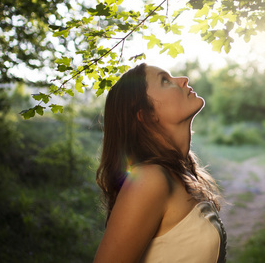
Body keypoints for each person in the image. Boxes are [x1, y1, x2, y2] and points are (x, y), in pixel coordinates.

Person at [93, 63, 227, 263]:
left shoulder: (181, 173)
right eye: (165, 81)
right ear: (146, 115)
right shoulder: (149, 179)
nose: (183, 80)